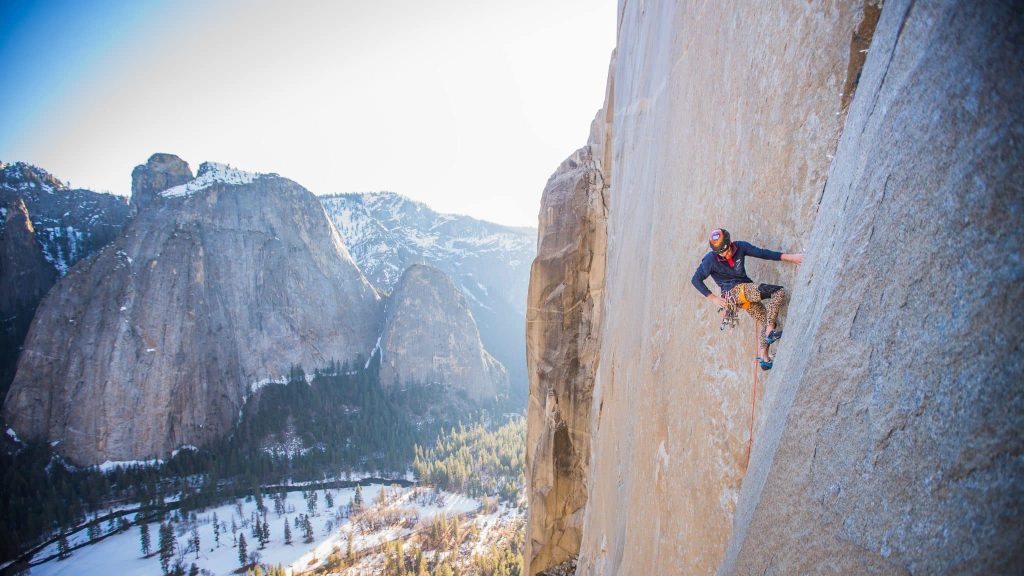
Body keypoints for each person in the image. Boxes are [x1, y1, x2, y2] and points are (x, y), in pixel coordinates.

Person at [691, 228, 803, 370]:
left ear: (730, 242)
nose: (725, 254)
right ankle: (770, 333)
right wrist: (713, 298)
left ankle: (764, 358)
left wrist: (791, 258)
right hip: (735, 294)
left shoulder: (740, 247)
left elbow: (763, 254)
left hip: (744, 292)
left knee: (766, 319)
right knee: (778, 291)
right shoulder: (710, 260)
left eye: (726, 250)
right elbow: (696, 280)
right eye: (721, 253)